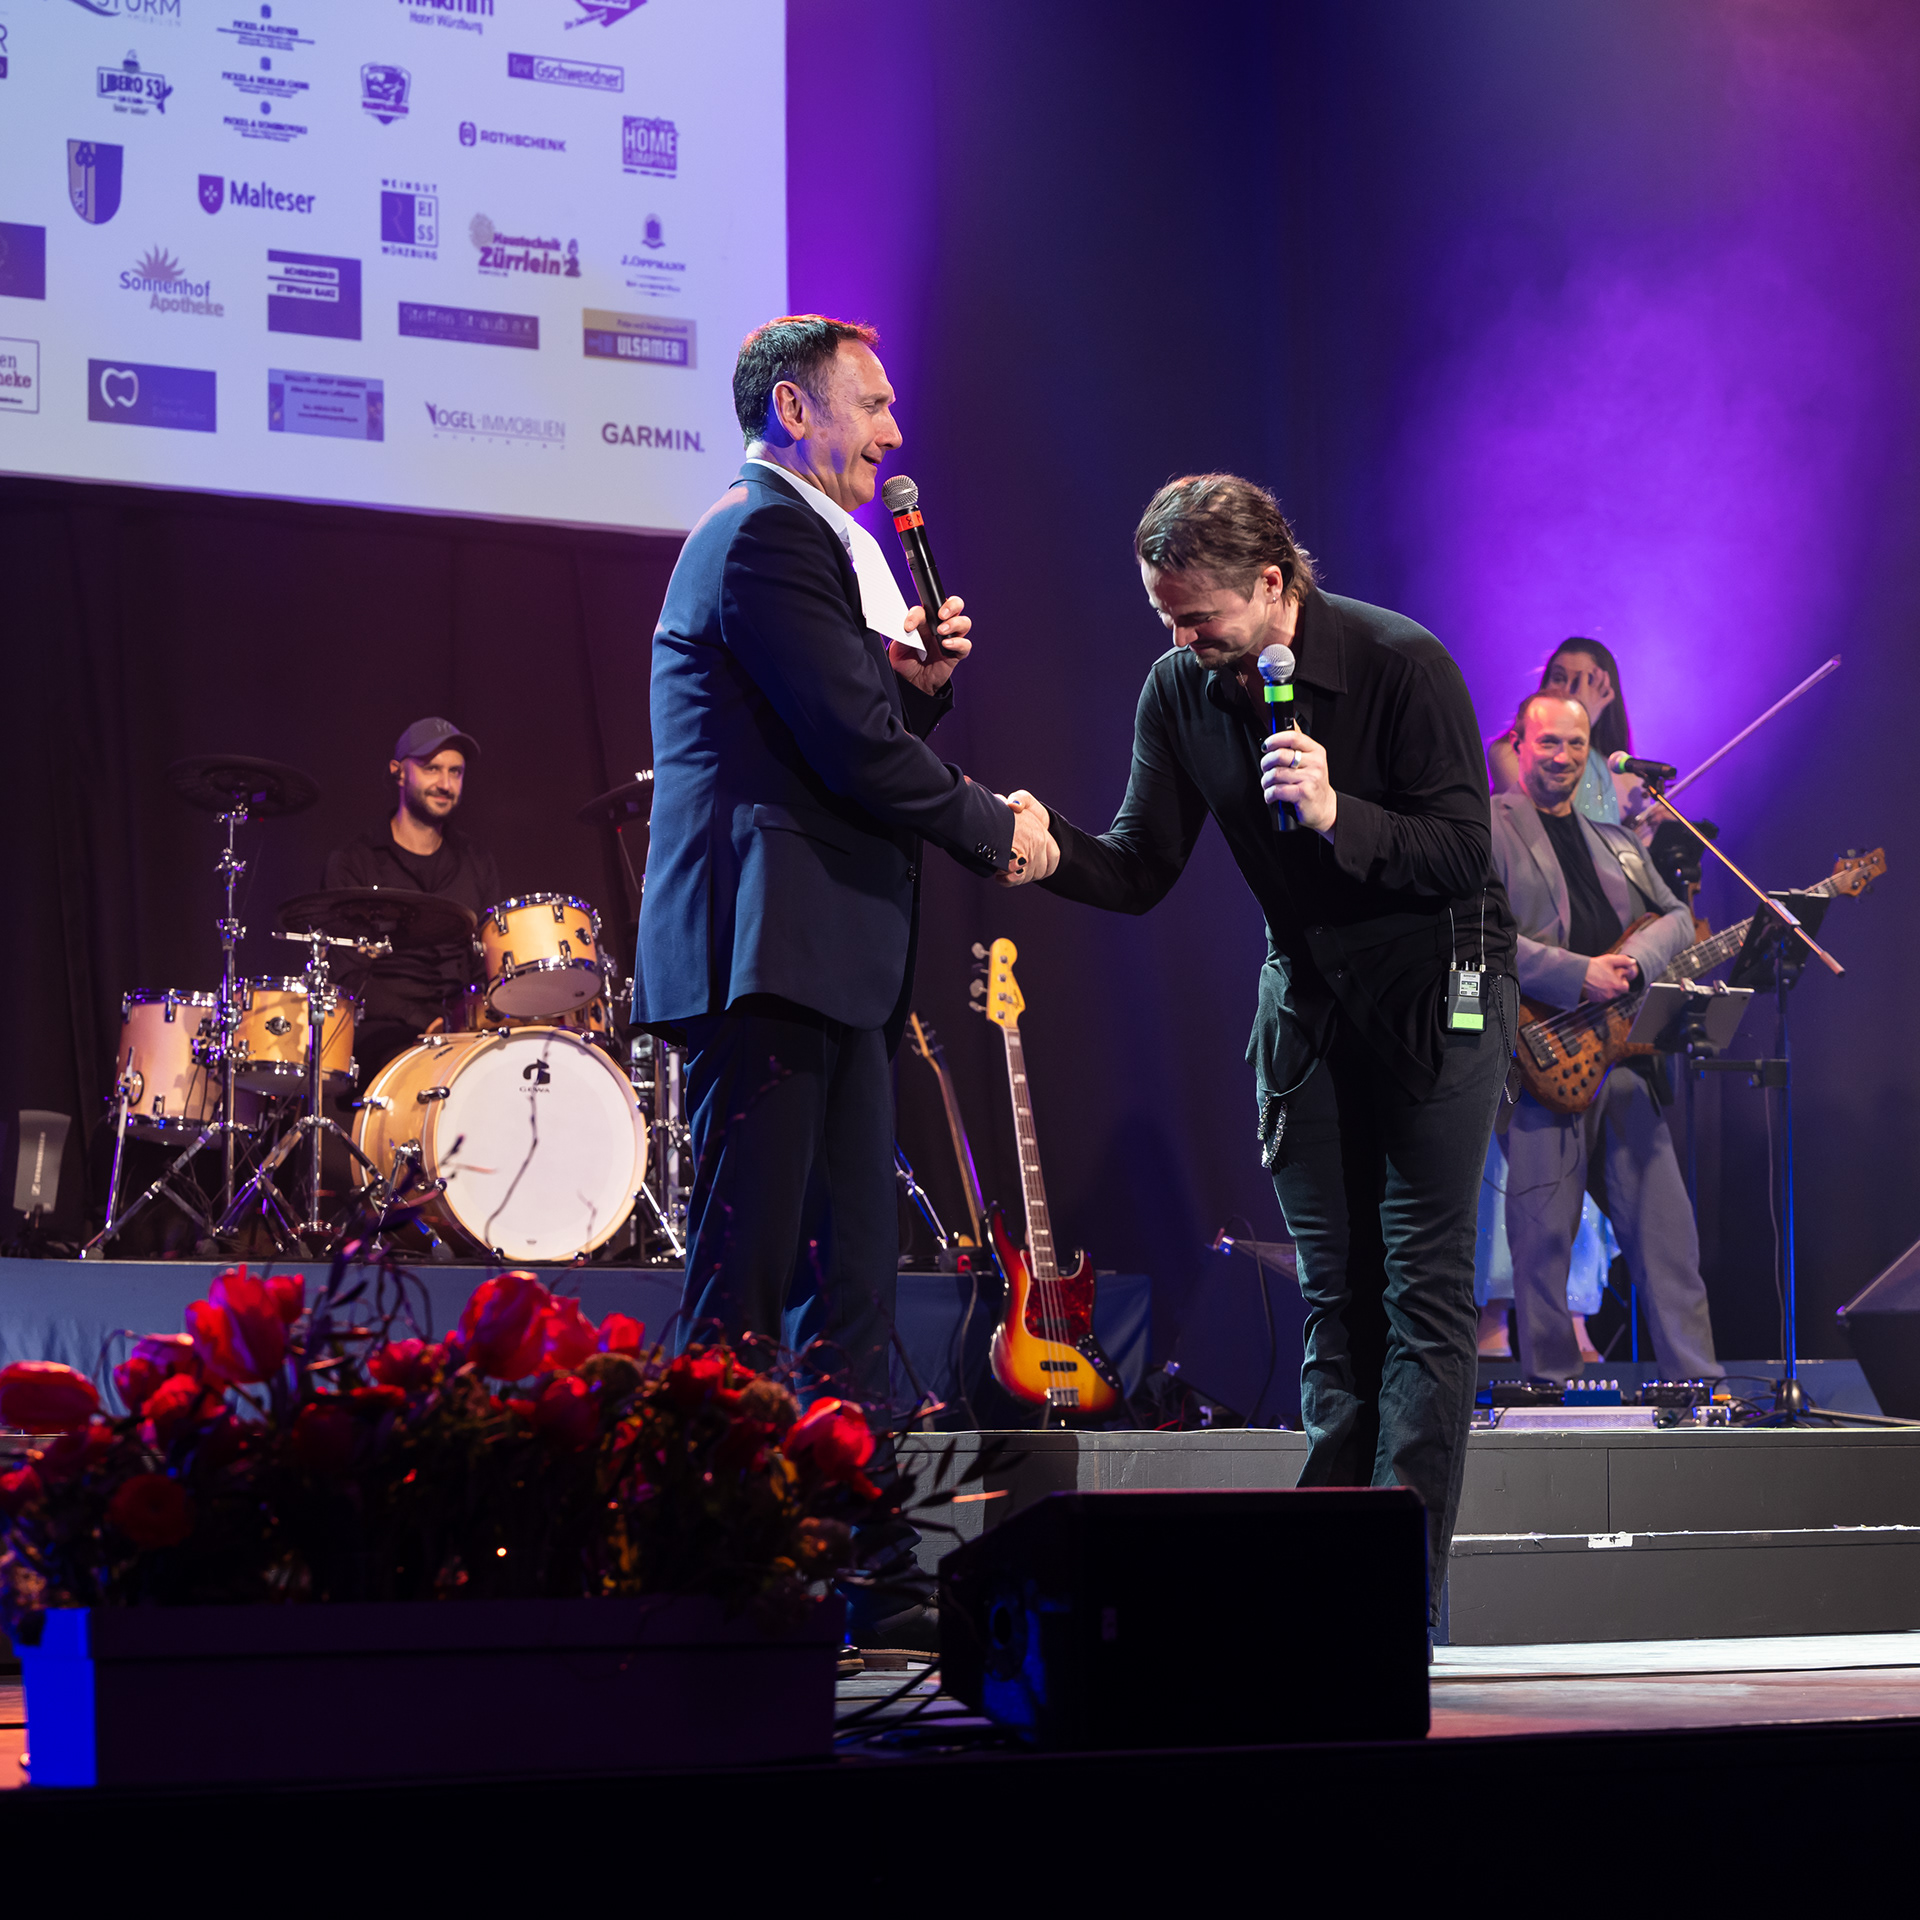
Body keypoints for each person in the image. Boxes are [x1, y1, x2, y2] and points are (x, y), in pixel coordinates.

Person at [1006, 474, 1516, 1638]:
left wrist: (1342, 815)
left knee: (1422, 1296)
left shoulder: (1402, 663)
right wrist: (1046, 852)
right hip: (1311, 998)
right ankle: (1326, 1578)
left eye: (1199, 619)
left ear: (1273, 583)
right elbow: (1141, 865)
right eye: (1165, 619)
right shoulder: (1178, 690)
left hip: (1439, 991)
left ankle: (1395, 1604)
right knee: (1338, 1298)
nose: (1182, 642)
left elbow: (1460, 854)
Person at [633, 316, 1047, 1627]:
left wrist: (914, 687)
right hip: (766, 956)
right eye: (871, 405)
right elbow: (851, 754)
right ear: (796, 411)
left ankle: (857, 1568)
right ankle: (715, 1572)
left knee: (853, 1277)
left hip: (823, 960)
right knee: (749, 1278)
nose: (894, 432)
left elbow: (848, 732)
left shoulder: (804, 543)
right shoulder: (763, 535)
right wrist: (993, 826)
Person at [1492, 693, 1721, 1383]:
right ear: (1520, 745)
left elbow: (1675, 917)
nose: (1562, 756)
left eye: (1575, 743)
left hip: (1620, 1061)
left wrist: (1635, 962)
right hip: (1541, 1059)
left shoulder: (1614, 839)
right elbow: (1476, 935)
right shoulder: (1488, 827)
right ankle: (1548, 1389)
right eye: (1548, 742)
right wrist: (1577, 974)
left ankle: (1698, 1384)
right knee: (1542, 1237)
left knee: (1667, 1235)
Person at [322, 716, 500, 1084]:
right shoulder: (356, 860)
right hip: (382, 1031)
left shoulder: (476, 861)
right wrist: (425, 1021)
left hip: (460, 1028)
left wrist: (480, 1016)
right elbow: (348, 974)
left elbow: (485, 962)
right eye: (432, 769)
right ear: (399, 772)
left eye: (455, 772)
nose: (445, 784)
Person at [1487, 638, 1644, 826]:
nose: (1568, 691)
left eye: (1582, 683)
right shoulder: (1508, 753)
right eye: (1559, 678)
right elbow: (1547, 815)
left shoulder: (1629, 780)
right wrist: (1582, 718)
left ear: (1605, 693)